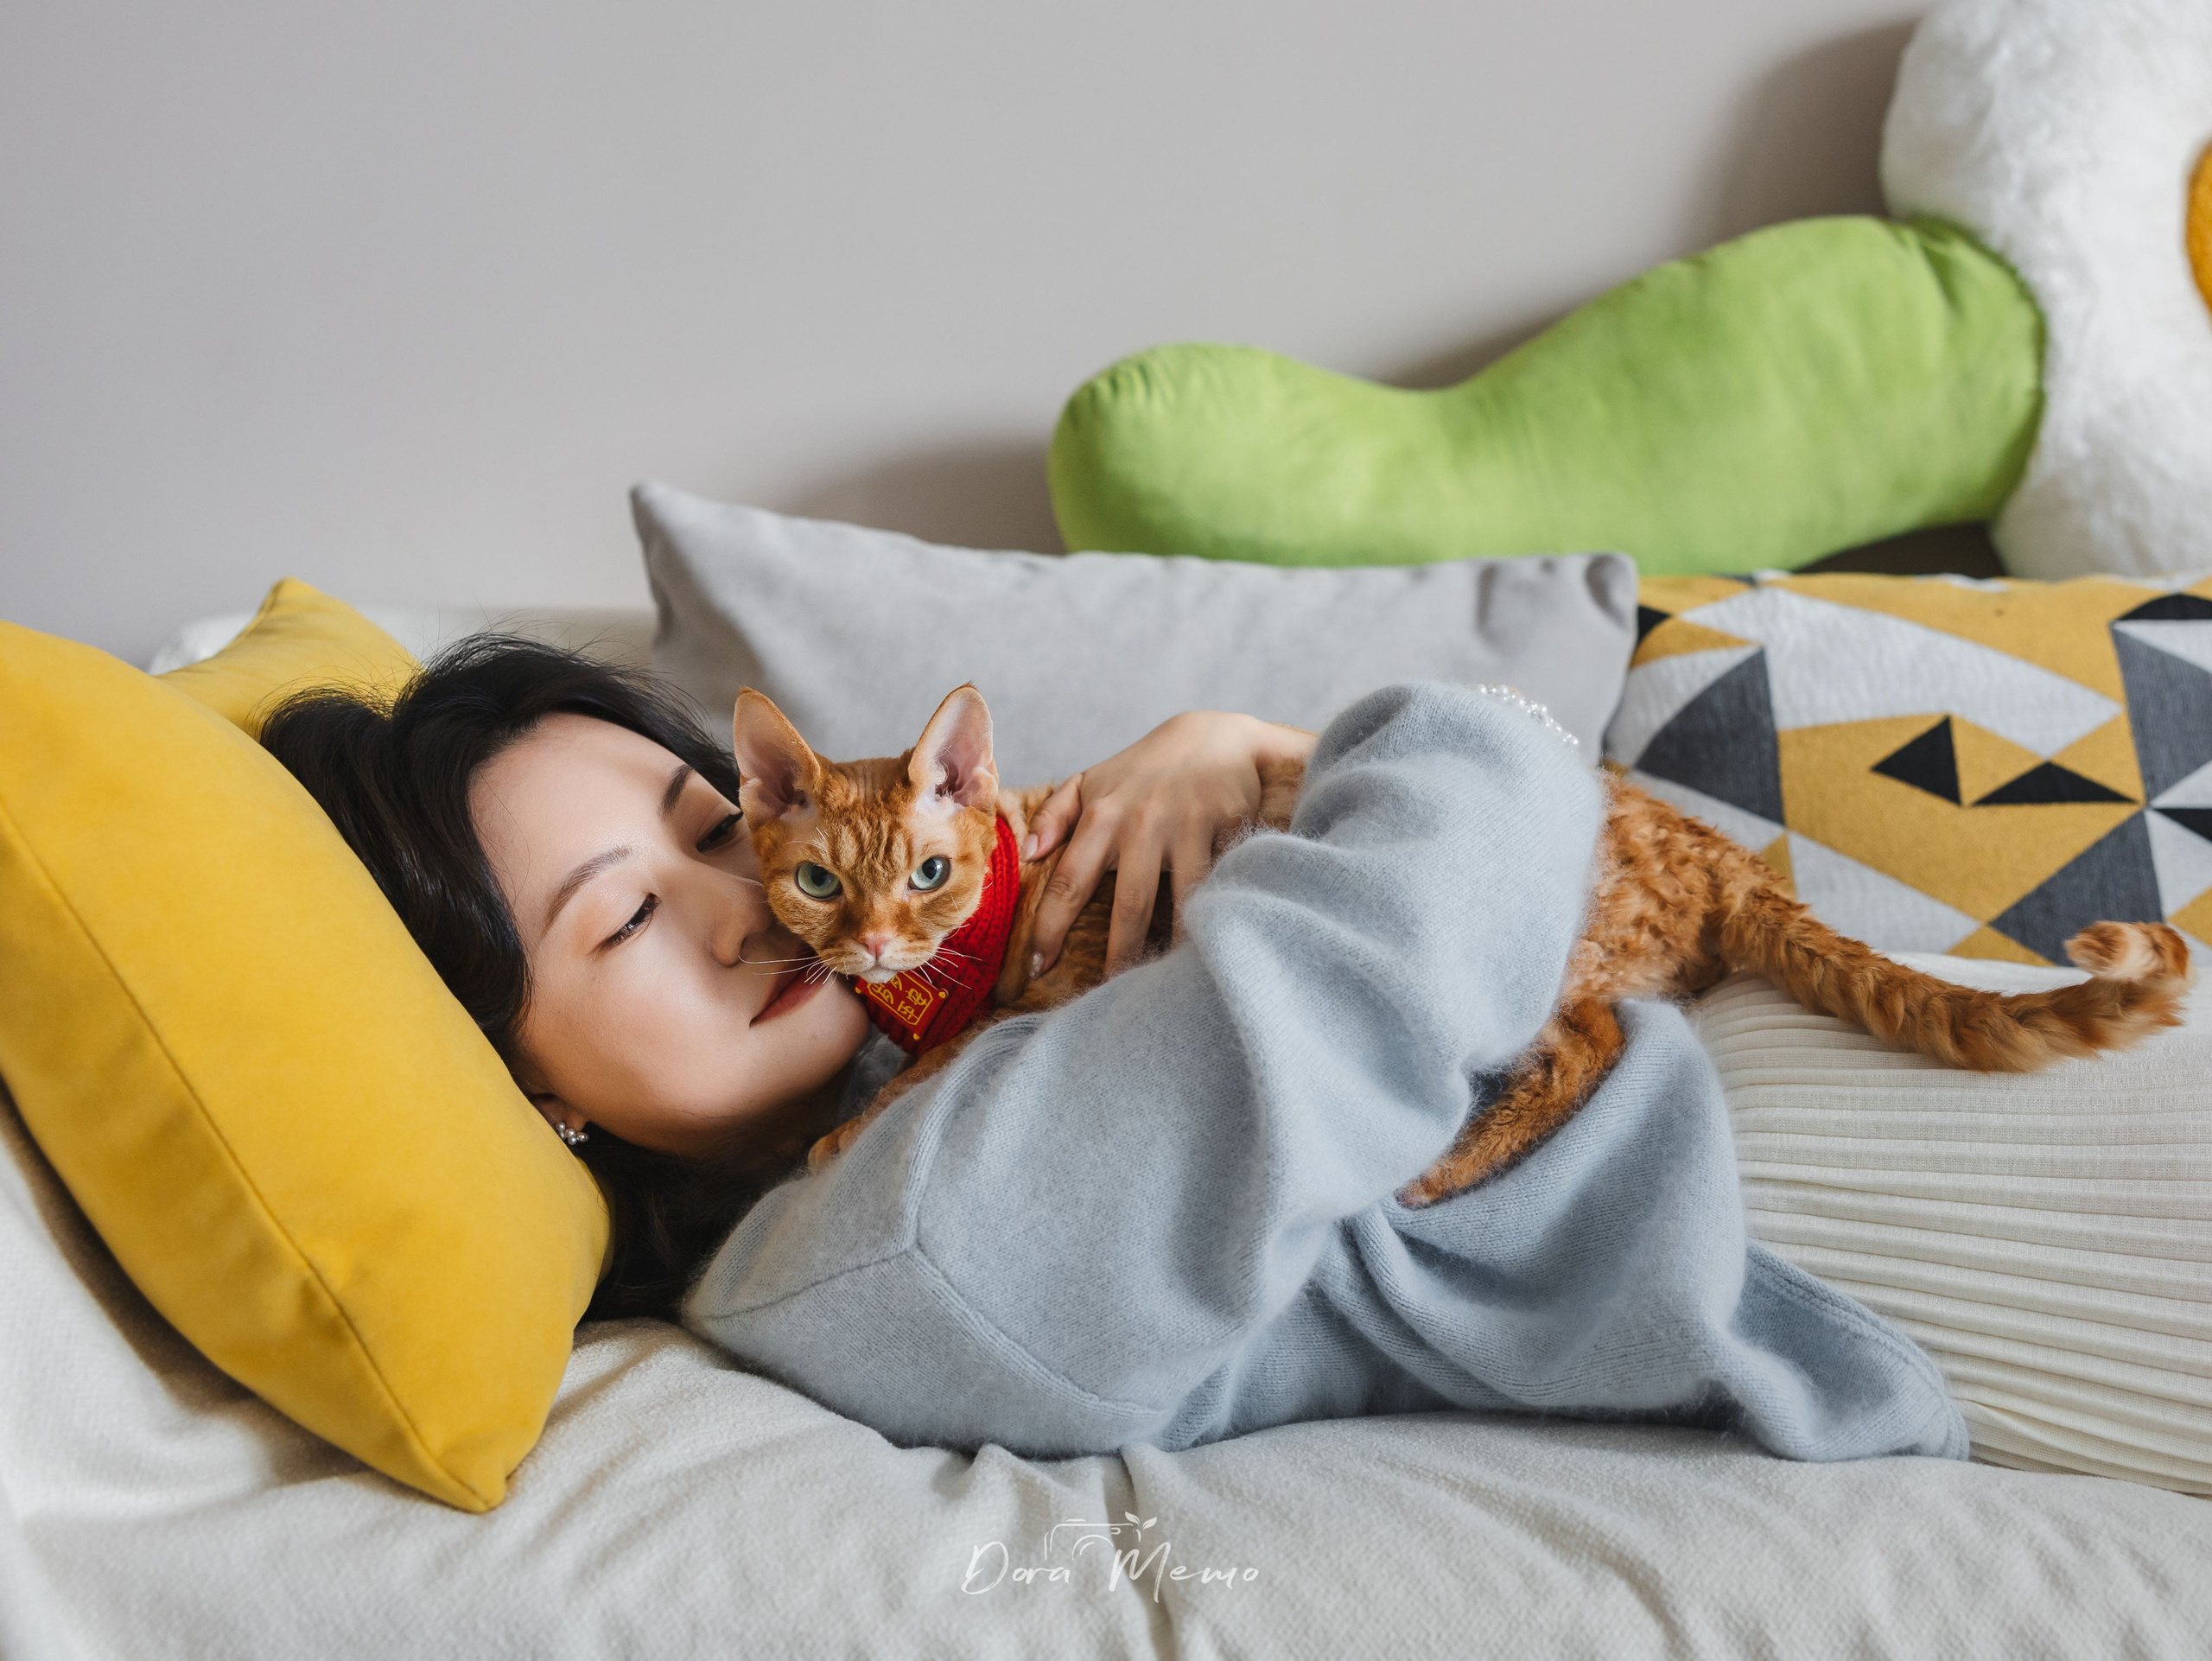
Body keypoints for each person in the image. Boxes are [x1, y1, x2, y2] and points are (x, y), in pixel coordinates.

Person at [264, 637, 1967, 1467]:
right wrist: (1241, 739)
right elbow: (1408, 926)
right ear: (522, 1086)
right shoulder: (885, 1234)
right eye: (620, 922)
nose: (755, 910)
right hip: (1933, 1233)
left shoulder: (948, 1048)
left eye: (723, 826)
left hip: (1875, 1099)